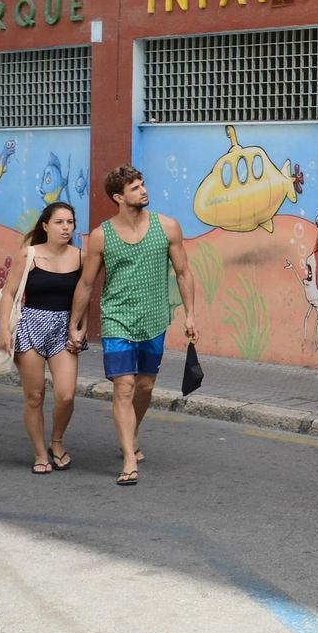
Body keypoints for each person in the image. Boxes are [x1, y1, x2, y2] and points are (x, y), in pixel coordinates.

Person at [69, 165, 198, 486]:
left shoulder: (167, 227)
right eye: (135, 187)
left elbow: (183, 272)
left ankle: (132, 431)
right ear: (118, 197)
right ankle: (128, 459)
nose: (143, 190)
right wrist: (77, 323)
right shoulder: (101, 235)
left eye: (142, 184)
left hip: (155, 319)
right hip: (116, 320)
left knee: (145, 386)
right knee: (123, 387)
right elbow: (86, 284)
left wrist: (191, 314)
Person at [0, 201, 84, 474]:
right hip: (30, 325)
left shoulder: (80, 257)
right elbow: (9, 293)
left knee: (66, 395)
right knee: (34, 396)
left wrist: (80, 327)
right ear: (45, 226)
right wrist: (3, 330)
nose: (65, 227)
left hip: (63, 328)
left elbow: (85, 294)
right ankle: (39, 453)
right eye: (59, 222)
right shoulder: (29, 254)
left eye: (69, 222)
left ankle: (56, 441)